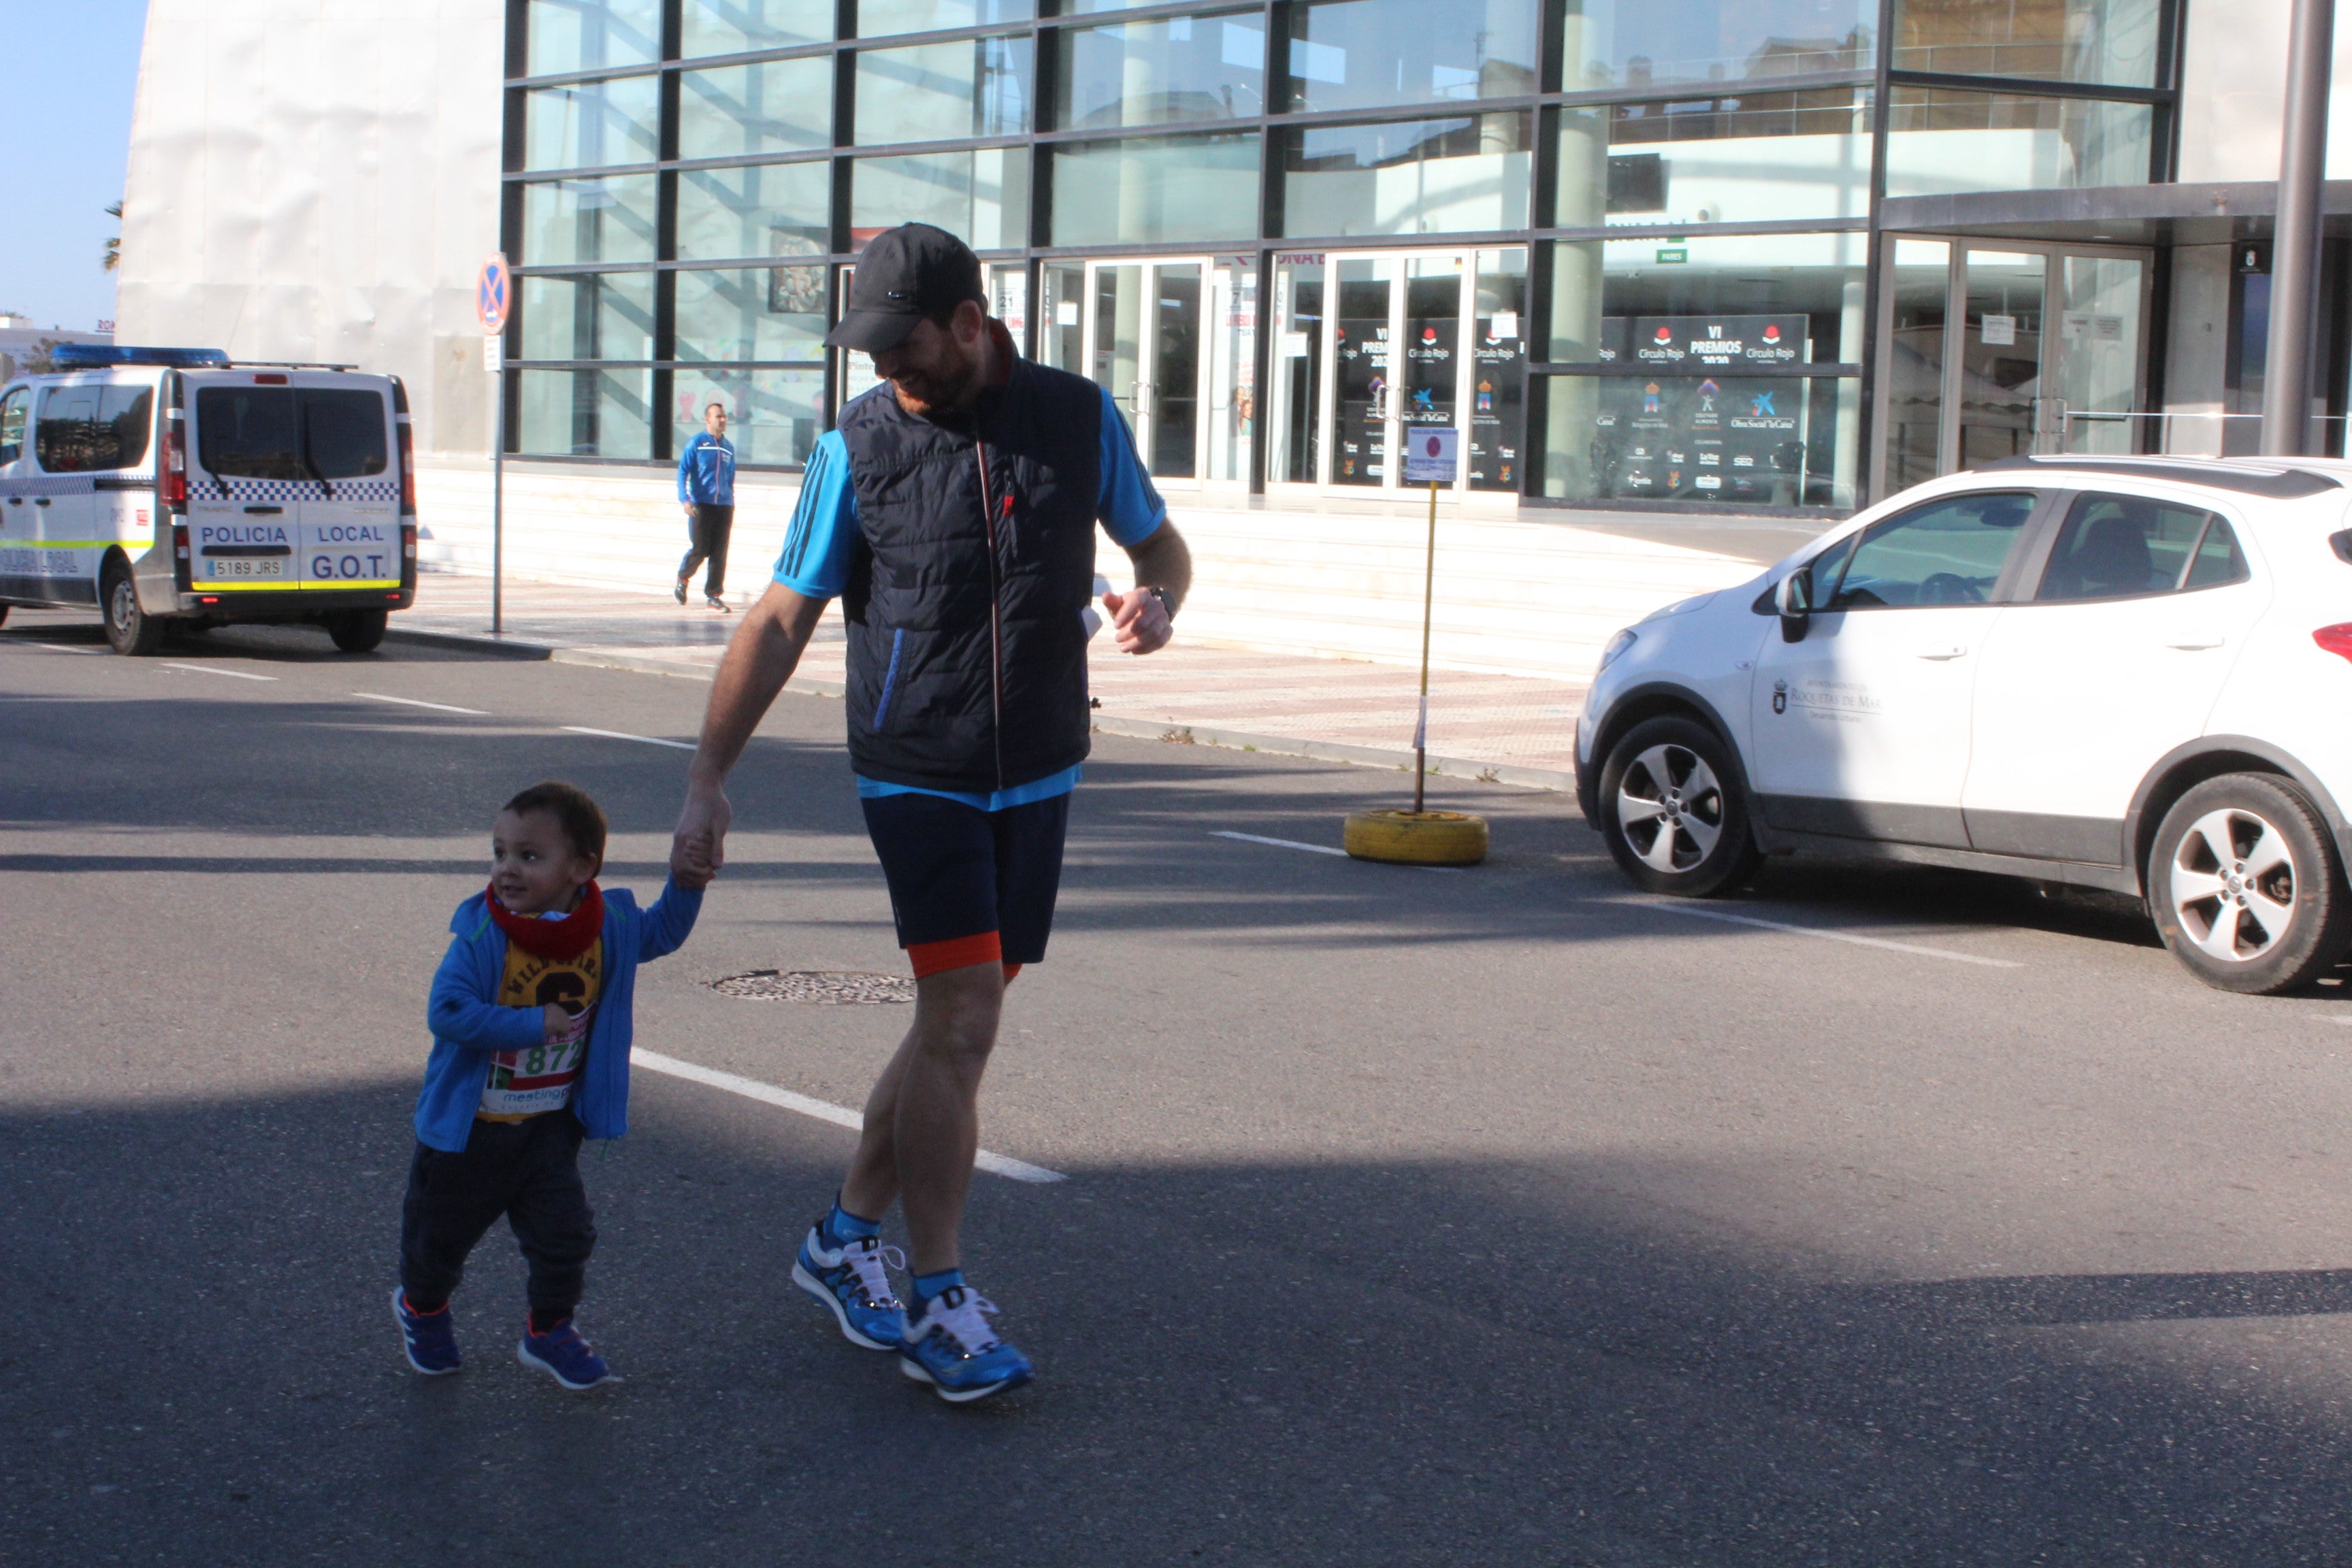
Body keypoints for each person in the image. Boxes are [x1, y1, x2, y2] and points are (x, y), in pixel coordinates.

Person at [670, 222, 1192, 1405]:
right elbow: (775, 618)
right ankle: (939, 1295)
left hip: (1044, 762)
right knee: (960, 1022)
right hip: (918, 764)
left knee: (953, 1018)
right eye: (870, 349)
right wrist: (707, 777)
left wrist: (1156, 601)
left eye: (904, 345)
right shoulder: (856, 445)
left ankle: (846, 1228)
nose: (887, 371)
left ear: (971, 321)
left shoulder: (1076, 415)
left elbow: (1161, 544)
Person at [393, 781, 706, 1390]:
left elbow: (662, 933)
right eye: (500, 852)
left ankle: (549, 1330)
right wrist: (529, 1024)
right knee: (438, 1243)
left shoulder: (607, 923)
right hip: (471, 1131)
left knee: (566, 1236)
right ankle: (422, 1308)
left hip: (548, 1126)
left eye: (529, 857)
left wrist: (687, 882)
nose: (507, 870)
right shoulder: (483, 935)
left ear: (582, 868)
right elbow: (448, 1012)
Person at [676, 402, 736, 611]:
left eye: (724, 417)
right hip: (701, 504)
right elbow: (683, 472)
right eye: (718, 416)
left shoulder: (728, 447)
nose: (723, 420)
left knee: (720, 552)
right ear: (708, 419)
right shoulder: (697, 443)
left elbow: (730, 477)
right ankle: (684, 578)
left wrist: (731, 500)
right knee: (700, 549)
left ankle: (714, 595)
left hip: (724, 506)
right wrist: (685, 499)